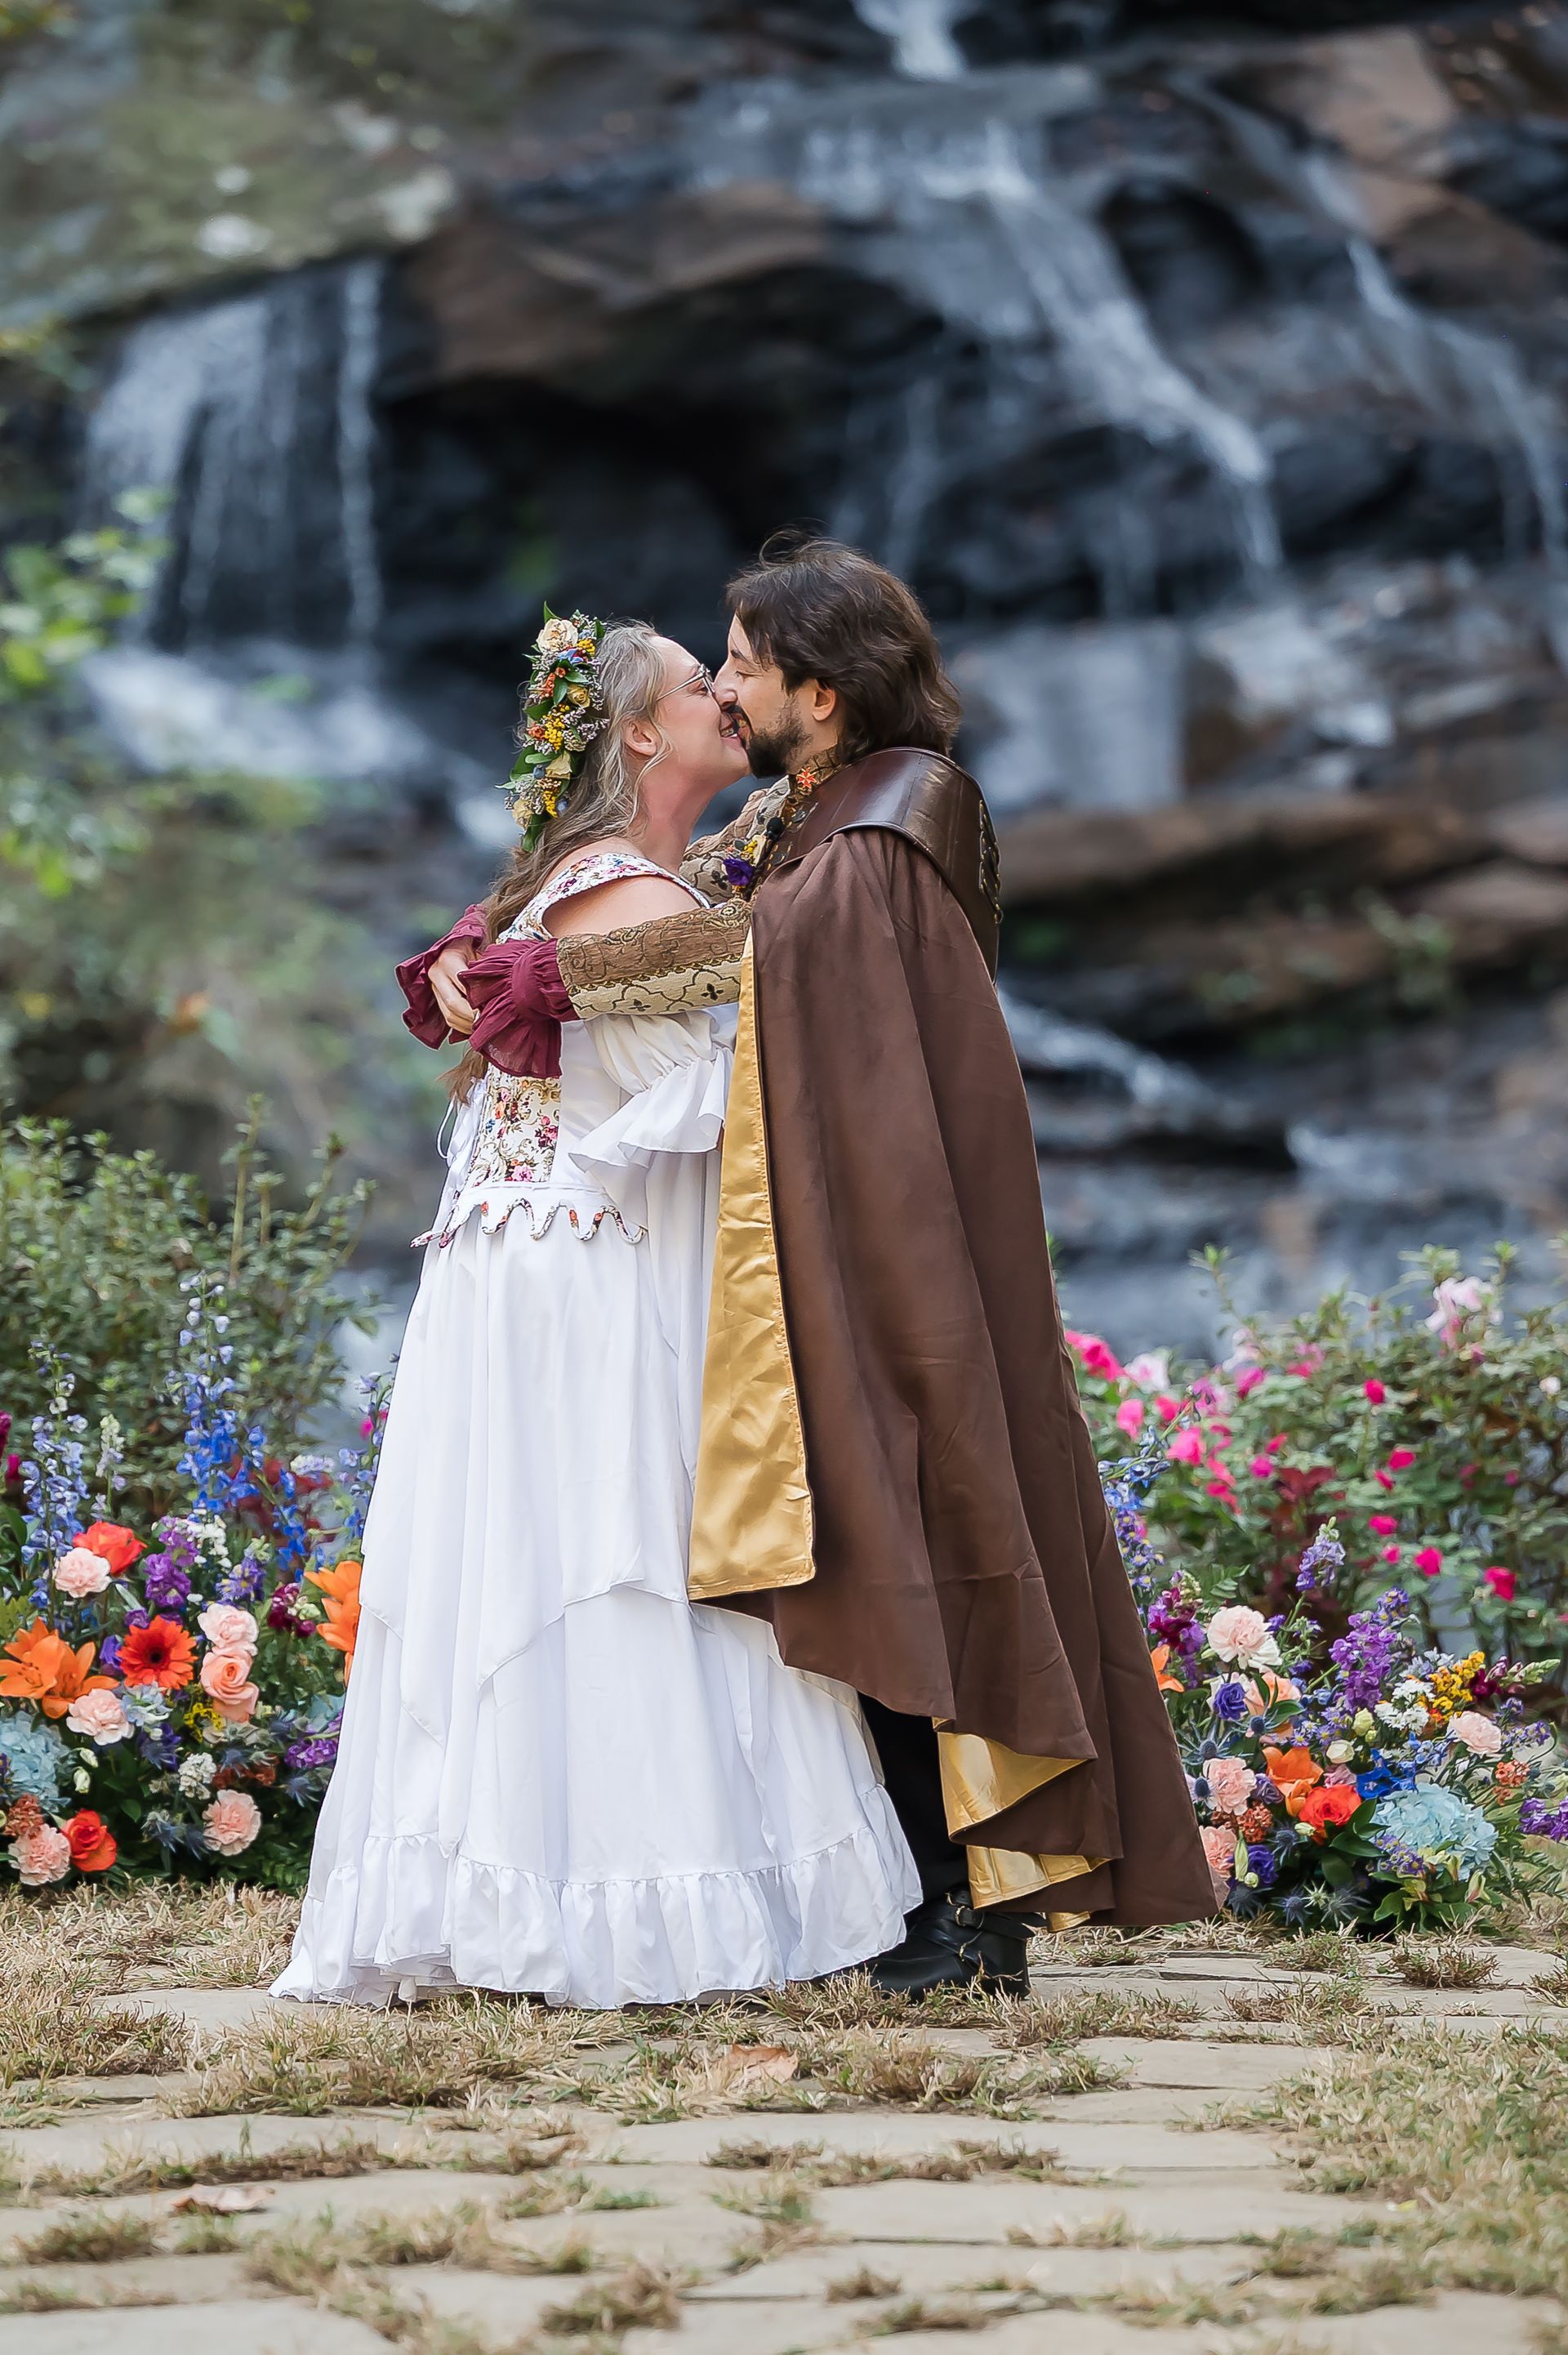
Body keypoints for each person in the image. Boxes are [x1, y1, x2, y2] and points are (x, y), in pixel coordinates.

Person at [411, 543, 1218, 1998]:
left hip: (892, 1240)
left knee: (921, 1513)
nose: (723, 685)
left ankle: (976, 1907)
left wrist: (562, 979)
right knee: (856, 1526)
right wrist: (500, 937)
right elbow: (681, 906)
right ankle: (916, 1886)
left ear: (823, 696)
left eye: (742, 664)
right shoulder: (805, 815)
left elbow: (756, 957)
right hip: (829, 1229)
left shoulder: (886, 828)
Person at [272, 614, 919, 2010]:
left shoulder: (612, 877)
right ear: (638, 733)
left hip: (529, 1261)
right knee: (616, 1558)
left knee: (542, 1561)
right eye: (704, 684)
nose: (728, 696)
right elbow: (714, 1073)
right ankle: (623, 1902)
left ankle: (521, 1882)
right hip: (588, 1265)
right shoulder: (624, 889)